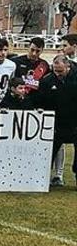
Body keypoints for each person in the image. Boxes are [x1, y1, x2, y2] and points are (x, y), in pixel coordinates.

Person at [37, 55, 77, 188]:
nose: (58, 74)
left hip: (75, 122)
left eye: (60, 71)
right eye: (55, 71)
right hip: (56, 123)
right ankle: (42, 178)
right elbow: (41, 100)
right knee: (49, 151)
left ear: (68, 67)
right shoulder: (47, 81)